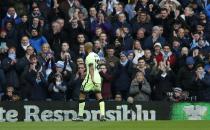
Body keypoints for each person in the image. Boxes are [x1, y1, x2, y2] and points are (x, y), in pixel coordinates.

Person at [73, 42, 106, 121]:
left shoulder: (89, 56)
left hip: (91, 78)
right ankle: (103, 115)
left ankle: (80, 116)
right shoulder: (96, 55)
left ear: (86, 48)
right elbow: (97, 66)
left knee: (81, 95)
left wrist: (91, 77)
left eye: (84, 47)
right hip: (98, 77)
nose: (83, 48)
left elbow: (91, 68)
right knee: (99, 95)